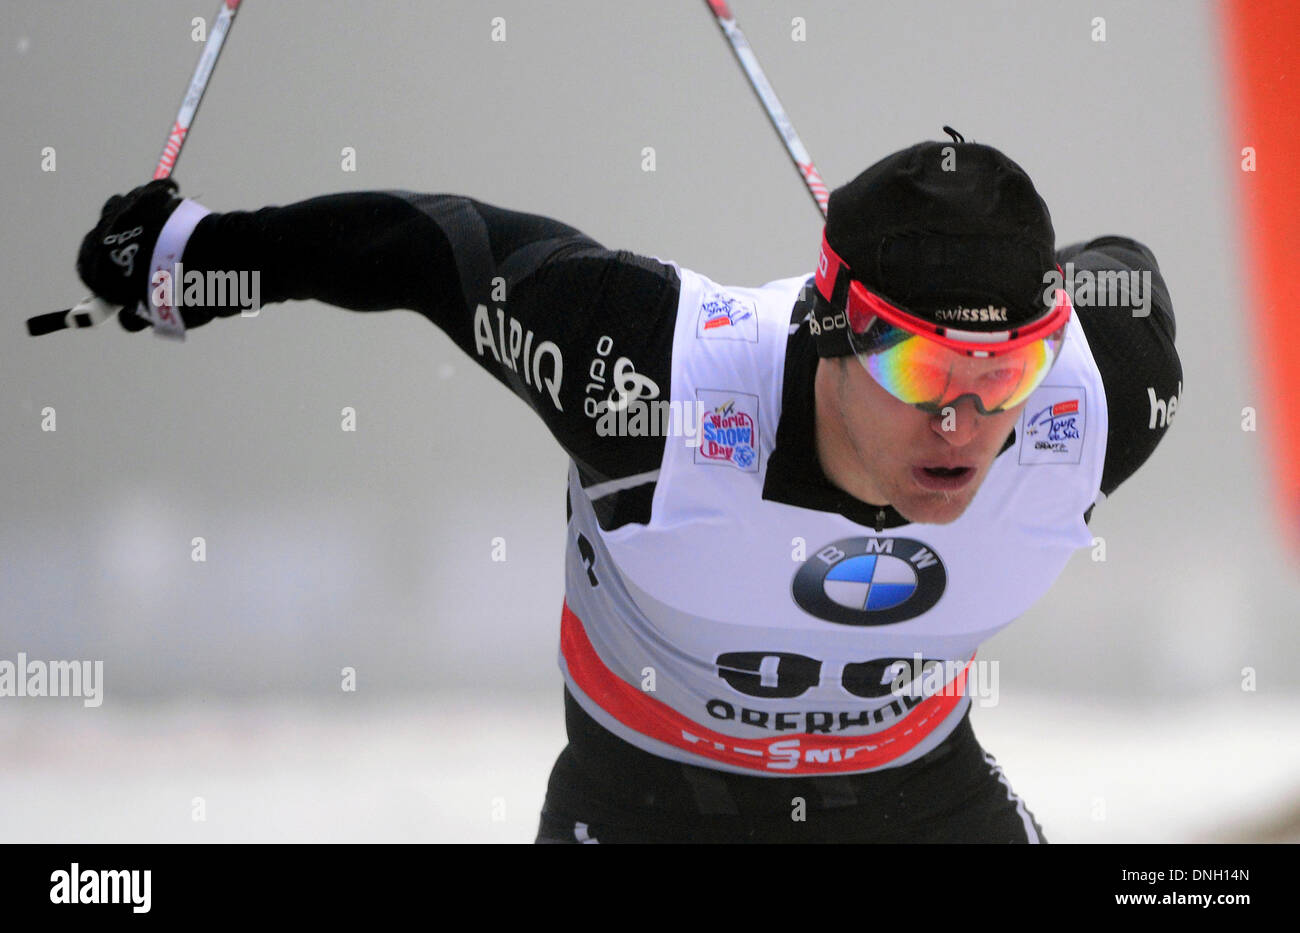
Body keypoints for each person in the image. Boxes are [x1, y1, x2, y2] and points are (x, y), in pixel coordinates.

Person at [74, 135, 1182, 843]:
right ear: (833, 322)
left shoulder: (1094, 403)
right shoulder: (650, 373)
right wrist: (190, 254)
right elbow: (431, 250)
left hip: (913, 800)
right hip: (648, 802)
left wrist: (995, 282)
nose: (965, 424)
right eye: (926, 370)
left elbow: (1123, 268)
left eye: (1002, 374)